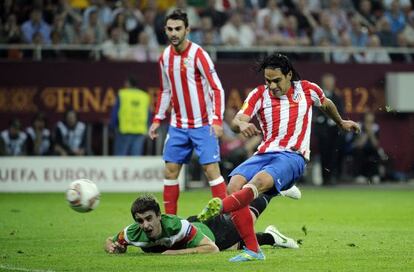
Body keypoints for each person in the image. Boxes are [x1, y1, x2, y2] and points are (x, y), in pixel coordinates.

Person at [197, 53, 361, 262]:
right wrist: (243, 125)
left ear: (289, 75)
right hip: (265, 153)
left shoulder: (307, 89)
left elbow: (326, 103)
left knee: (259, 182)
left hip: (293, 155)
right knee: (233, 185)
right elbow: (237, 120)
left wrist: (341, 122)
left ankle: (221, 207)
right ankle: (254, 250)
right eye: (267, 81)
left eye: (276, 80)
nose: (272, 85)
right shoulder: (259, 94)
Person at [148, 10, 227, 215]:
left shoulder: (199, 54)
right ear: (165, 30)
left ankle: (228, 219)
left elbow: (217, 88)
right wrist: (157, 119)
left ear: (187, 30)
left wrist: (217, 120)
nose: (174, 33)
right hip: (178, 126)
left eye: (178, 29)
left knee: (211, 171)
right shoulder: (165, 57)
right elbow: (165, 90)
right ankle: (170, 222)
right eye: (170, 29)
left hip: (203, 124)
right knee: (170, 171)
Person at [105, 194, 298, 255]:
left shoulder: (176, 226)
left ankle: (274, 189)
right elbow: (112, 241)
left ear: (159, 216)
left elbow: (211, 248)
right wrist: (112, 247)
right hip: (196, 225)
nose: (145, 225)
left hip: (215, 231)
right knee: (240, 246)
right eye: (140, 221)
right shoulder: (132, 233)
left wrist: (173, 253)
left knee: (247, 217)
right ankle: (273, 237)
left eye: (149, 219)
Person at [313, 73, 345, 185]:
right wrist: (322, 119)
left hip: (334, 132)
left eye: (330, 82)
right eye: (327, 82)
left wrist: (334, 120)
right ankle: (325, 178)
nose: (329, 84)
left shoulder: (337, 97)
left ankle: (332, 177)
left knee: (334, 155)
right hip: (322, 132)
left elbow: (341, 112)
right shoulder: (317, 97)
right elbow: (314, 112)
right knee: (323, 155)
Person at [110, 76, 150, 156]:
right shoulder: (144, 96)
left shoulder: (122, 94)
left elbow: (115, 112)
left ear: (128, 83)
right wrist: (148, 127)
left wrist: (112, 127)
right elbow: (149, 114)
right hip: (140, 130)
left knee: (120, 157)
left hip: (124, 130)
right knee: (135, 158)